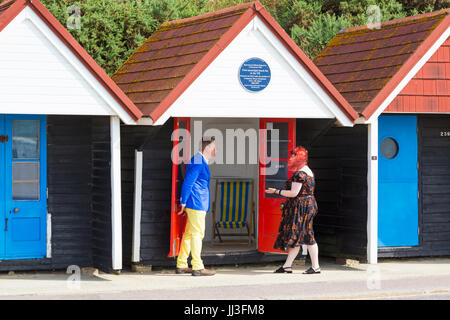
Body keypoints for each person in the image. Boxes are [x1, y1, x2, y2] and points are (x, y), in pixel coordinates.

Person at [266, 146, 320, 274]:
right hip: (307, 205)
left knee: (307, 236)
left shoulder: (300, 174)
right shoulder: (308, 171)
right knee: (298, 236)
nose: (290, 158)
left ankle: (316, 267)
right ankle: (287, 266)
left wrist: (276, 191)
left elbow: (293, 193)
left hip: (302, 207)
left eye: (293, 156)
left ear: (298, 158)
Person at [175, 136, 216, 276]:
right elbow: (188, 182)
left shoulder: (197, 160)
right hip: (197, 202)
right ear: (208, 148)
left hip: (195, 202)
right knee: (198, 234)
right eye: (213, 148)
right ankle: (197, 266)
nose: (215, 151)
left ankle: (181, 264)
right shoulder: (198, 161)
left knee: (188, 234)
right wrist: (183, 202)